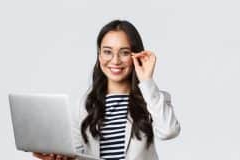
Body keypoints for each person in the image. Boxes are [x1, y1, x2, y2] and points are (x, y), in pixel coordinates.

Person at [33, 19, 180, 160]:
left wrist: (146, 81)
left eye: (124, 52)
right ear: (99, 55)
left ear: (136, 55)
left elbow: (169, 131)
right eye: (108, 52)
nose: (115, 60)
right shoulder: (83, 105)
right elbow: (79, 155)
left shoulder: (151, 98)